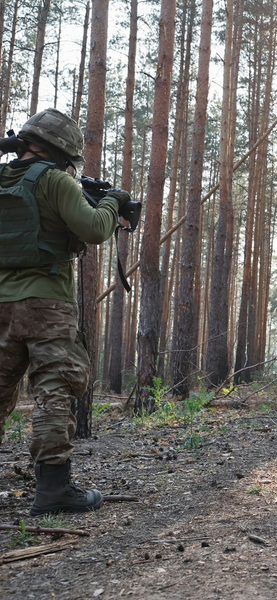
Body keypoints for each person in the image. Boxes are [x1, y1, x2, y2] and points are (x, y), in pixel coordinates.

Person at [0, 108, 131, 515]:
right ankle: (53, 488)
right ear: (61, 151)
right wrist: (113, 202)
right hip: (46, 304)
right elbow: (93, 228)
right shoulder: (56, 180)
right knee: (54, 391)